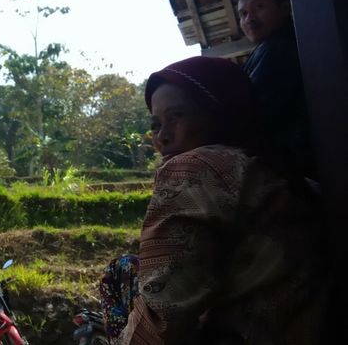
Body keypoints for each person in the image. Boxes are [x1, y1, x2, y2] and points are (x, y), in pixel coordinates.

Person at [98, 56, 326, 344]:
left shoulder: (196, 168)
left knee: (118, 273)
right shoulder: (283, 173)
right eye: (156, 125)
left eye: (178, 116)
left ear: (219, 113)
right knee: (129, 266)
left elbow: (163, 320)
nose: (163, 137)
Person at [236, 0, 315, 179]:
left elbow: (250, 116)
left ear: (285, 7)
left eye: (259, 8)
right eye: (243, 14)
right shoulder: (278, 46)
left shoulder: (277, 49)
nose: (249, 19)